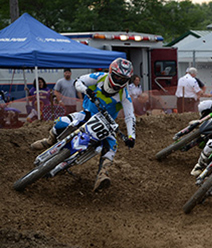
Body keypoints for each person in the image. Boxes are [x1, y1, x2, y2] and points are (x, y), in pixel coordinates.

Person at [30, 58, 137, 192]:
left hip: (106, 123)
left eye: (123, 79)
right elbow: (78, 81)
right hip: (87, 114)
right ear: (111, 72)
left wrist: (131, 136)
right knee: (61, 122)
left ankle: (102, 174)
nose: (119, 82)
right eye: (117, 77)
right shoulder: (99, 77)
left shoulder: (124, 95)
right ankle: (49, 140)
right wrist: (87, 91)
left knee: (112, 146)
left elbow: (130, 116)